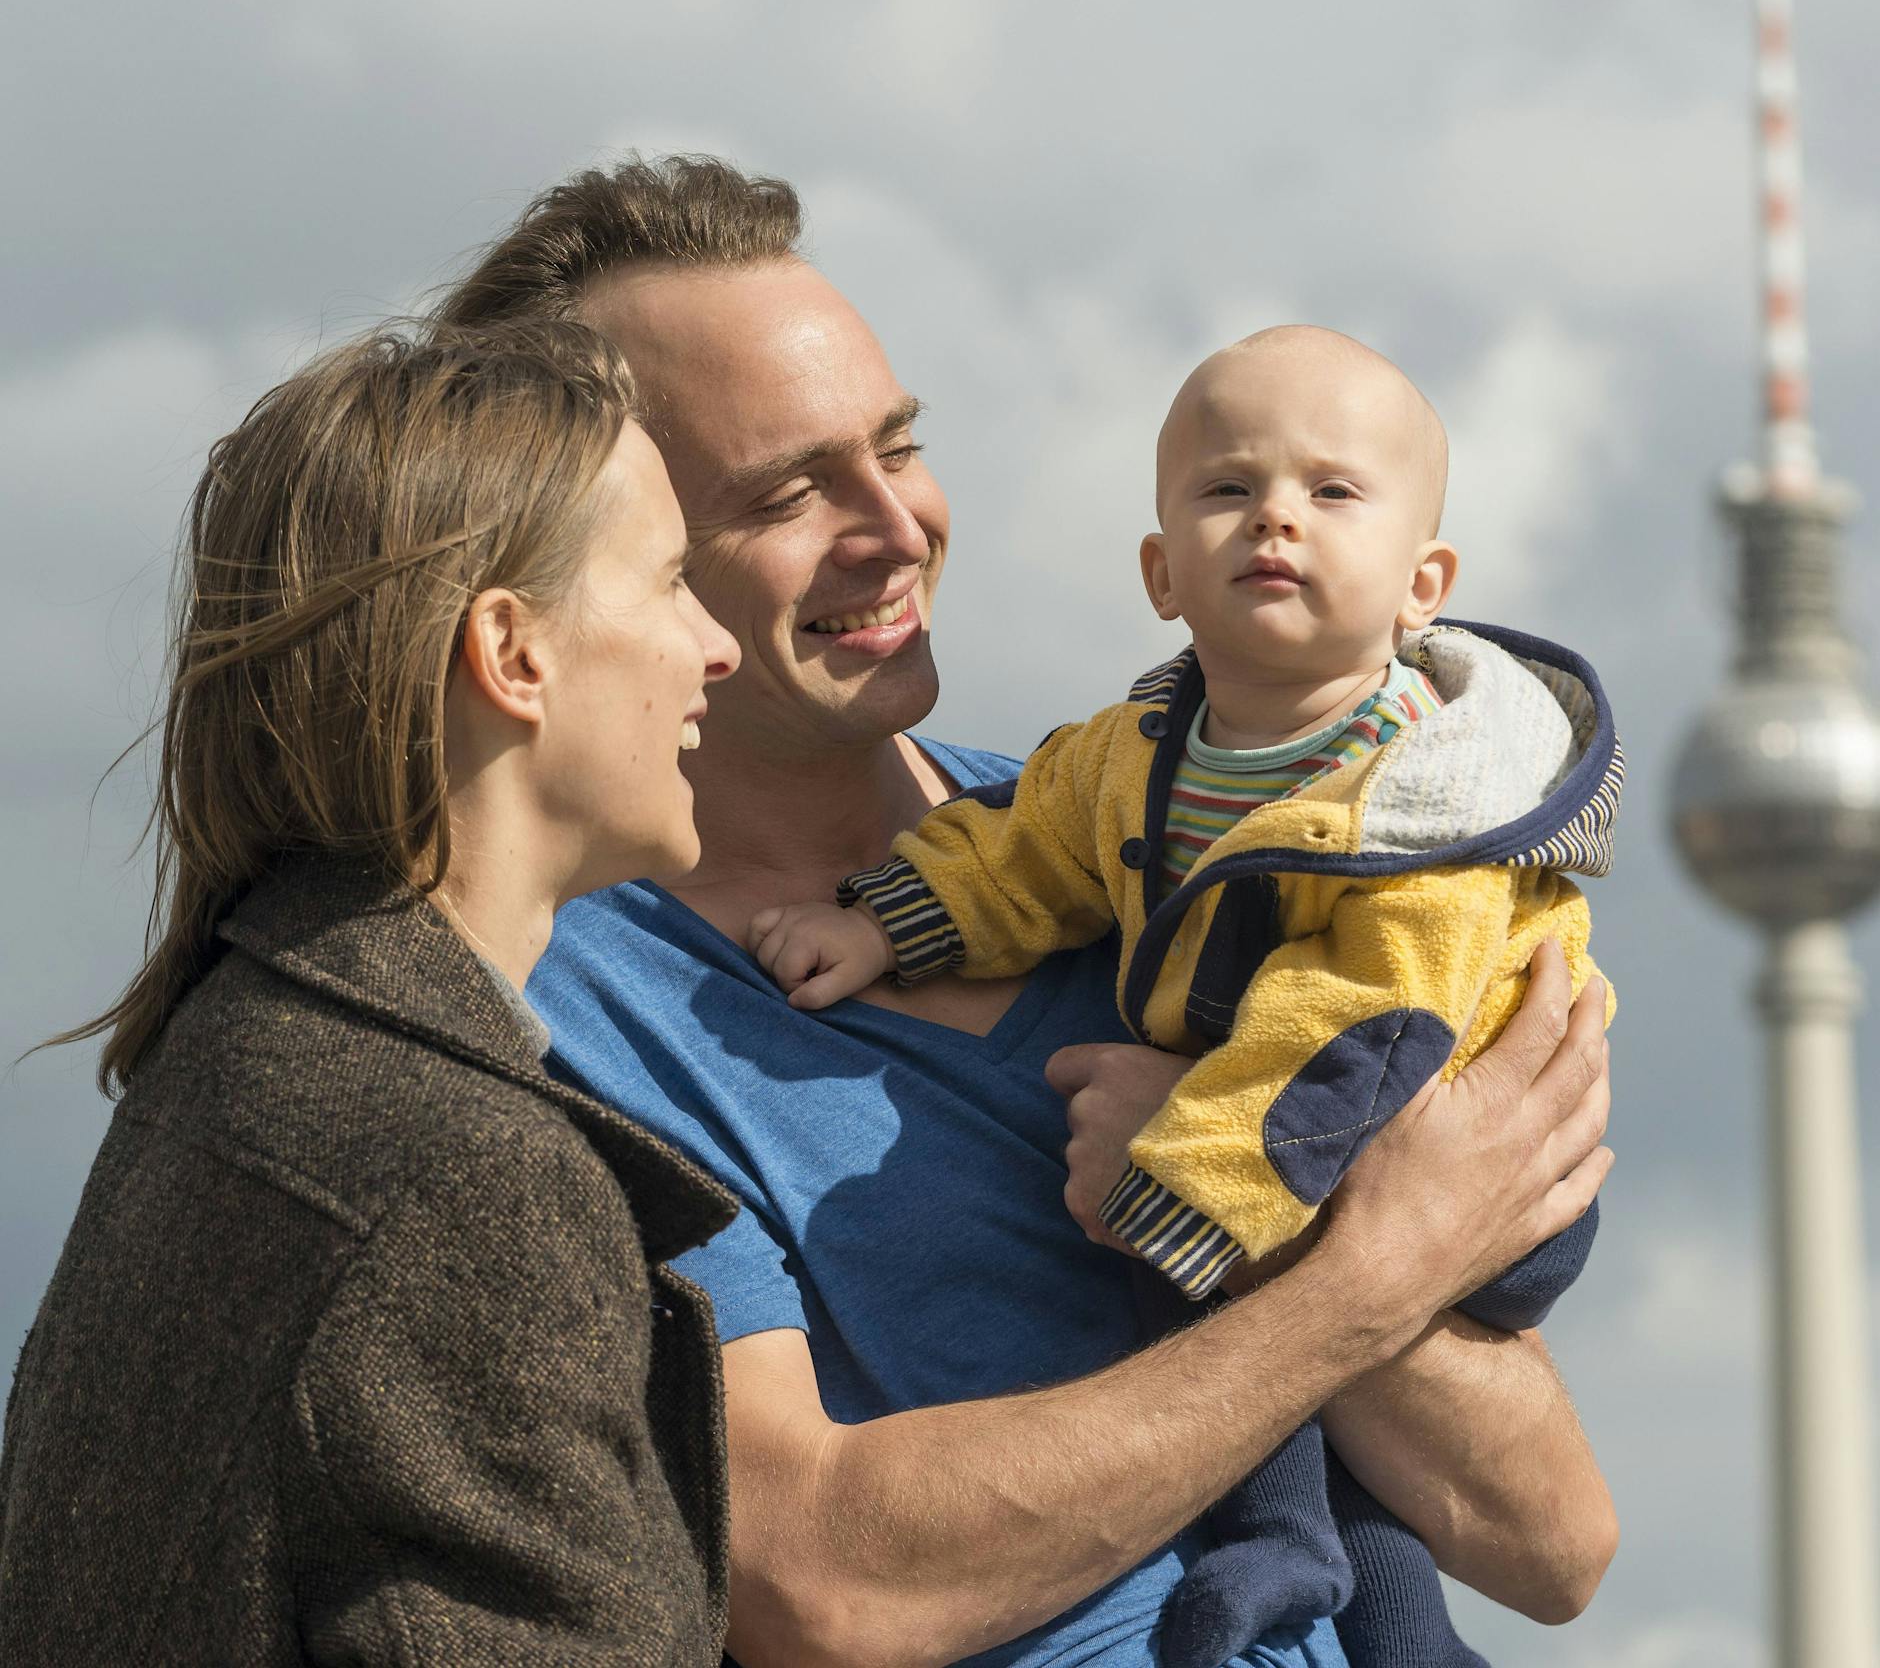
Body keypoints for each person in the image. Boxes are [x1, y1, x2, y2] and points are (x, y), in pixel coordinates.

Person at [433, 156, 1618, 1668]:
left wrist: (1268, 1222)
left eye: (899, 446)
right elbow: (821, 1589)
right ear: (605, 564)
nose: (895, 528)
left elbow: (1553, 1543)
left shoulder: (1162, 833)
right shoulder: (550, 1014)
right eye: (788, 493)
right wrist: (1363, 1270)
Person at [750, 323, 1619, 1666]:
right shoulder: (1137, 754)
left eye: (1334, 491)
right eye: (1228, 489)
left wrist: (1196, 1171)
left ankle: (1328, 1594)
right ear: (1161, 574)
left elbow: (1367, 1016)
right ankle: (1298, 1579)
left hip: (1438, 1129)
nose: (1276, 515)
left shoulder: (1424, 813)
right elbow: (1025, 850)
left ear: (1423, 586)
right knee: (1280, 1398)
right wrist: (882, 924)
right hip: (1278, 1138)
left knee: (1293, 1403)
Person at [0, 321, 742, 1664]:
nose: (717, 646)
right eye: (674, 581)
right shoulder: (461, 1178)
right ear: (513, 652)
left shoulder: (242, 1059)